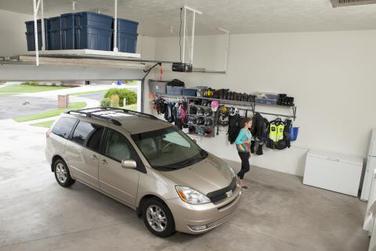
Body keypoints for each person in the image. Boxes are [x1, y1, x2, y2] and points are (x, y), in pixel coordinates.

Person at [235, 117, 253, 189]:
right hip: (242, 151)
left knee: (243, 167)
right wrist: (245, 142)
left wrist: (249, 151)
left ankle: (240, 184)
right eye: (250, 123)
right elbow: (237, 141)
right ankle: (235, 178)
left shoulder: (248, 131)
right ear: (246, 123)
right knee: (247, 168)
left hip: (246, 150)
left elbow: (249, 142)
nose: (251, 124)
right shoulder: (242, 131)